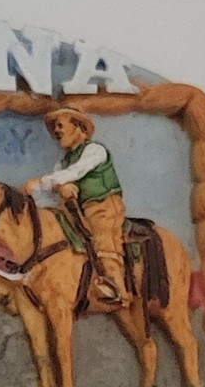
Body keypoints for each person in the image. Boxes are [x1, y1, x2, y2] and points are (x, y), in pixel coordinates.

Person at [27, 107, 129, 306]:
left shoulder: (94, 151)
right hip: (77, 210)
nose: (57, 131)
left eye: (60, 125)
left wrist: (41, 183)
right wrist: (37, 194)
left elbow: (75, 172)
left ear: (79, 127)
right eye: (55, 127)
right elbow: (54, 186)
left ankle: (115, 287)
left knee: (103, 237)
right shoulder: (63, 162)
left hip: (102, 205)